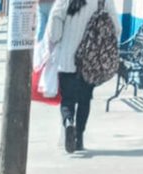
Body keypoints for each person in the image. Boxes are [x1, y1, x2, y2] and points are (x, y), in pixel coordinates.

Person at [49, 0, 120, 152]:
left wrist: (56, 39)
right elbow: (116, 28)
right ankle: (79, 138)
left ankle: (68, 122)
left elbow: (54, 28)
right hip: (90, 62)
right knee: (84, 100)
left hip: (67, 60)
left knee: (67, 99)